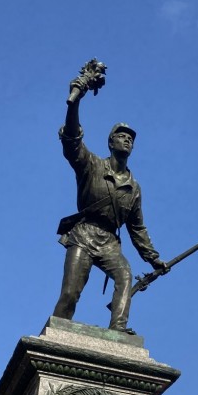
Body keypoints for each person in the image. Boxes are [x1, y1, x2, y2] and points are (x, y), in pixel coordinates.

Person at [52, 73, 168, 332]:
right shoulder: (92, 165)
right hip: (83, 234)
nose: (127, 139)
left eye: (131, 138)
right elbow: (71, 142)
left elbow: (137, 229)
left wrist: (153, 259)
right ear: (110, 142)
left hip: (109, 244)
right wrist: (74, 103)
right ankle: (57, 332)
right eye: (122, 135)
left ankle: (118, 329)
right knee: (70, 293)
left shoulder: (133, 188)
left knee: (125, 276)